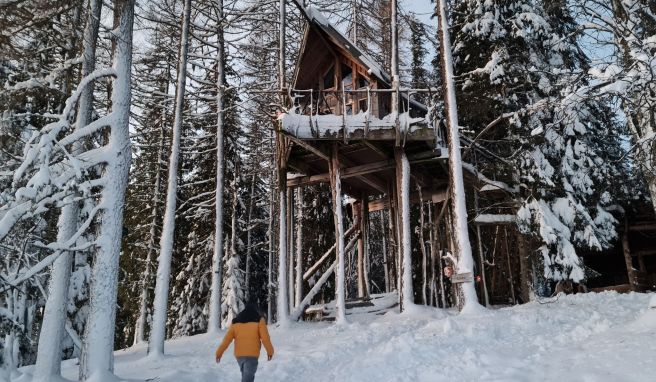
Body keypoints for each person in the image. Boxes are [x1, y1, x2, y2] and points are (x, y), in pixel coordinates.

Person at [215, 303, 274, 382]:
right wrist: (270, 352)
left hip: (239, 356)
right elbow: (265, 338)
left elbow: (227, 340)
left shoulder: (235, 322)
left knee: (247, 377)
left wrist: (219, 352)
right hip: (252, 355)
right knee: (248, 379)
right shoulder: (259, 320)